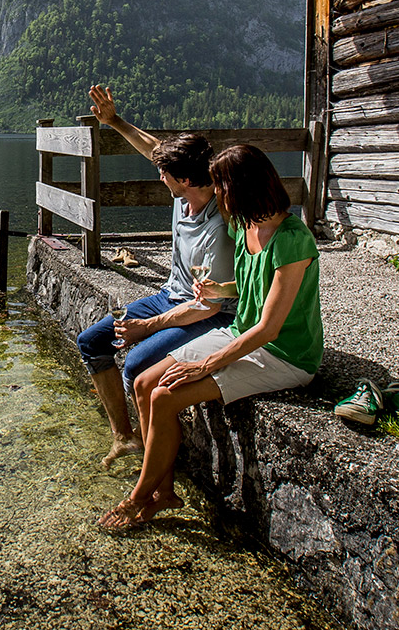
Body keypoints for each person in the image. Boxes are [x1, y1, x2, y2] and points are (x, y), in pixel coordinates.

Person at [98, 143, 322, 529]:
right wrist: (222, 289)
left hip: (283, 353)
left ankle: (137, 499)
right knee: (144, 382)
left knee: (166, 396)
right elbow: (254, 287)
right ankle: (163, 492)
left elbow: (269, 327)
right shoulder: (245, 224)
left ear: (241, 187)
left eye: (219, 185)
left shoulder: (293, 239)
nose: (214, 192)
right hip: (241, 332)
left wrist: (204, 365)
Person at [77, 86, 236, 468]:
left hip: (210, 311)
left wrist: (147, 326)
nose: (158, 175)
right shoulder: (185, 192)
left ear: (184, 178)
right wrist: (115, 121)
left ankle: (158, 462)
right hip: (172, 295)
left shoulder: (222, 224)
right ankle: (124, 437)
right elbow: (154, 148)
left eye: (163, 173)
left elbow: (209, 304)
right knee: (91, 341)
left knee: (138, 366)